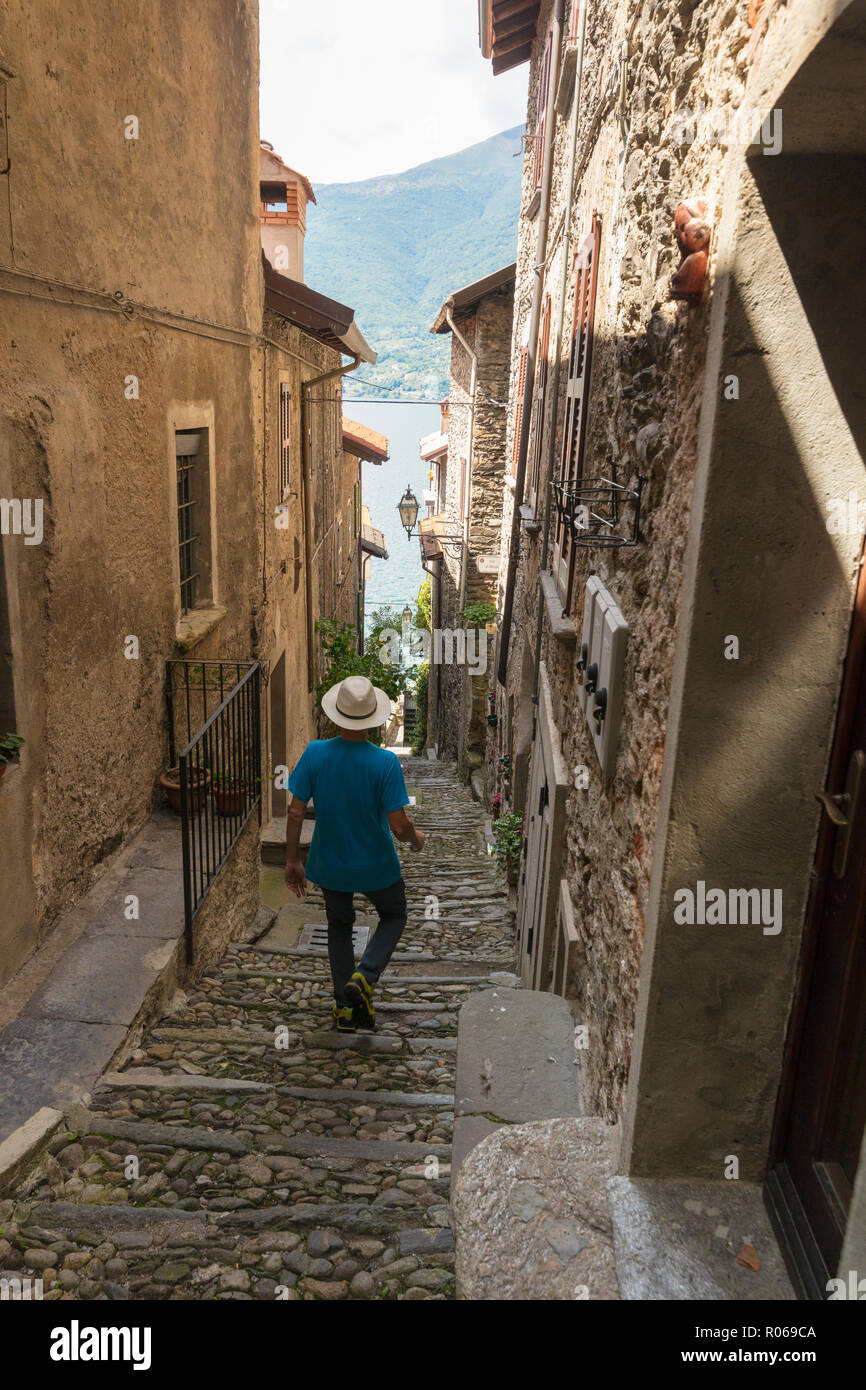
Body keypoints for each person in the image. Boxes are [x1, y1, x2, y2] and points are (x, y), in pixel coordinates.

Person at [284, 675, 426, 1032]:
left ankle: (344, 1009)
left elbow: (296, 811)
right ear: (373, 718)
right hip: (376, 865)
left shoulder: (315, 753)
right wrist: (415, 839)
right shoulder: (385, 763)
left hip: (330, 864)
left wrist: (292, 860)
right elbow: (398, 824)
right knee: (394, 915)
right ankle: (365, 976)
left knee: (339, 926)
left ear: (337, 715)